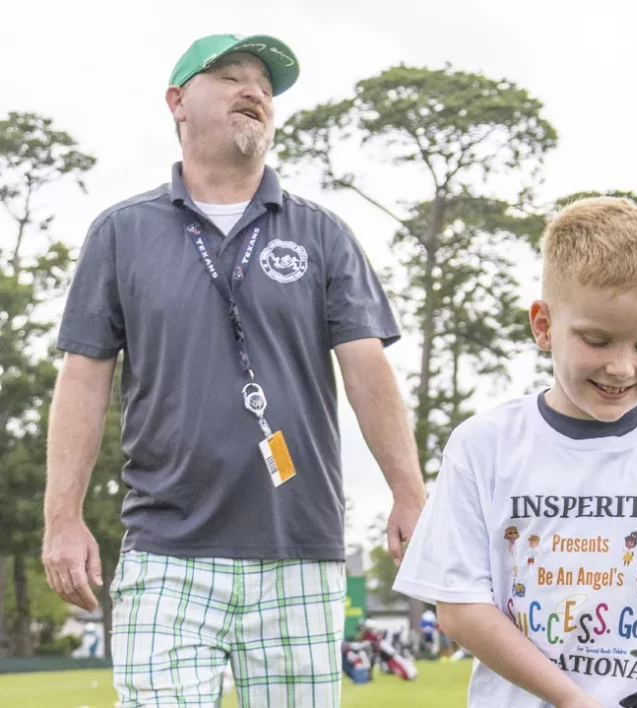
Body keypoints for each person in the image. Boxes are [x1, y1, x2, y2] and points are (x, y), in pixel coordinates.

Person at [40, 34, 426, 706]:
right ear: (177, 103)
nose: (255, 92)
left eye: (266, 87)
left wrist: (409, 491)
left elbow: (368, 370)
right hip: (166, 550)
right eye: (231, 76)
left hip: (298, 551)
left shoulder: (322, 234)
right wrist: (62, 518)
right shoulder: (120, 233)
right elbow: (82, 379)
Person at [391, 197, 637, 708]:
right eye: (598, 340)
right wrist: (573, 699)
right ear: (543, 325)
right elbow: (460, 607)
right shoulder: (483, 445)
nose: (623, 367)